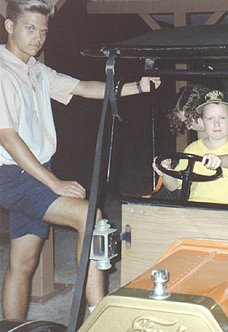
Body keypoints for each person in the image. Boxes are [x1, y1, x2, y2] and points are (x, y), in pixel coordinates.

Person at [0, 0, 160, 320]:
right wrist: (54, 183)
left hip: (36, 171)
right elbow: (8, 137)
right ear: (9, 27)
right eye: (30, 29)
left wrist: (136, 87)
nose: (37, 38)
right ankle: (99, 314)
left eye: (43, 32)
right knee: (90, 217)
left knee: (24, 263)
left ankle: (12, 327)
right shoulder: (2, 73)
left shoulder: (36, 70)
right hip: (15, 176)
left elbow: (84, 87)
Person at [154, 90, 228, 205]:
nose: (216, 123)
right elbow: (173, 186)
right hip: (196, 211)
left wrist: (219, 160)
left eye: (222, 118)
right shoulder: (193, 148)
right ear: (202, 122)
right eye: (210, 119)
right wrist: (165, 170)